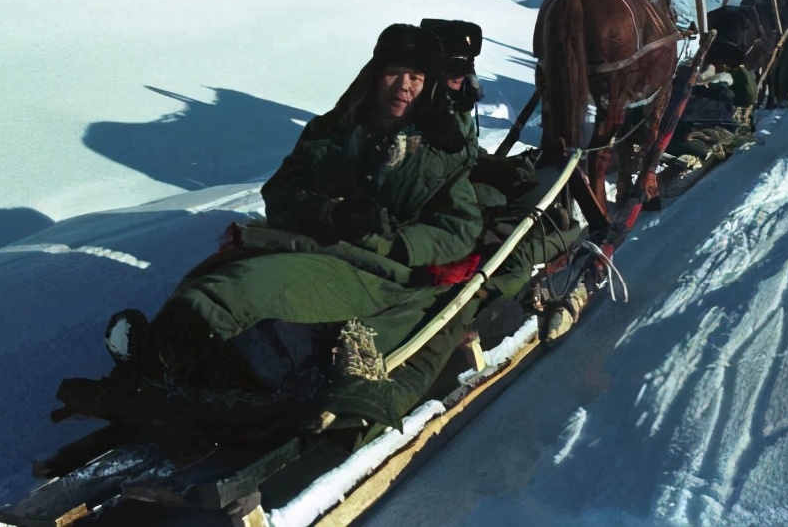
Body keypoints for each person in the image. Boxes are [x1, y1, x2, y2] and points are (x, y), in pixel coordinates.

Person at [56, 23, 488, 448]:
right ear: (375, 73)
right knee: (212, 279)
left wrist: (395, 239)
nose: (404, 86)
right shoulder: (331, 132)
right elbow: (280, 191)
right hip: (314, 244)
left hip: (380, 271)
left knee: (248, 286)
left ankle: (159, 372)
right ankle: (159, 365)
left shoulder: (437, 152)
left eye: (416, 77)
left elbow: (460, 228)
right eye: (395, 72)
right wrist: (327, 212)